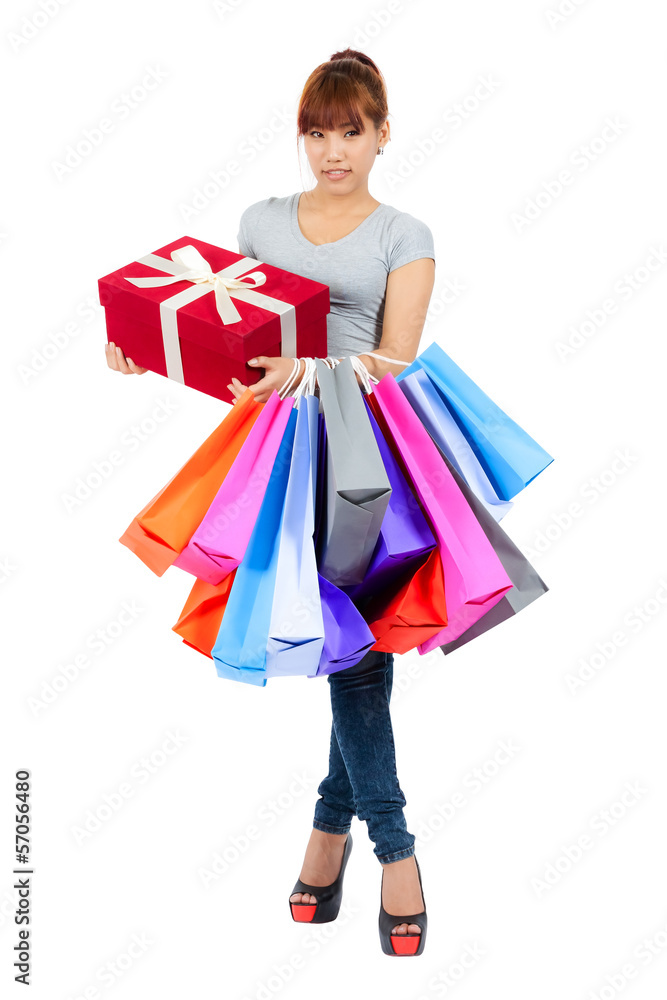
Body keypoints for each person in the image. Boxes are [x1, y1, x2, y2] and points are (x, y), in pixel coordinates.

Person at [106, 47, 435, 957]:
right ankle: (338, 838)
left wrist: (311, 368)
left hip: (367, 444)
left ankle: (388, 850)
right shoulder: (260, 221)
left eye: (351, 133)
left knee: (354, 646)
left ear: (381, 135)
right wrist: (149, 349)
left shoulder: (403, 234)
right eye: (317, 133)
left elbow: (401, 359)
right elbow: (232, 352)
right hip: (275, 453)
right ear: (304, 137)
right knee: (345, 640)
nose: (333, 151)